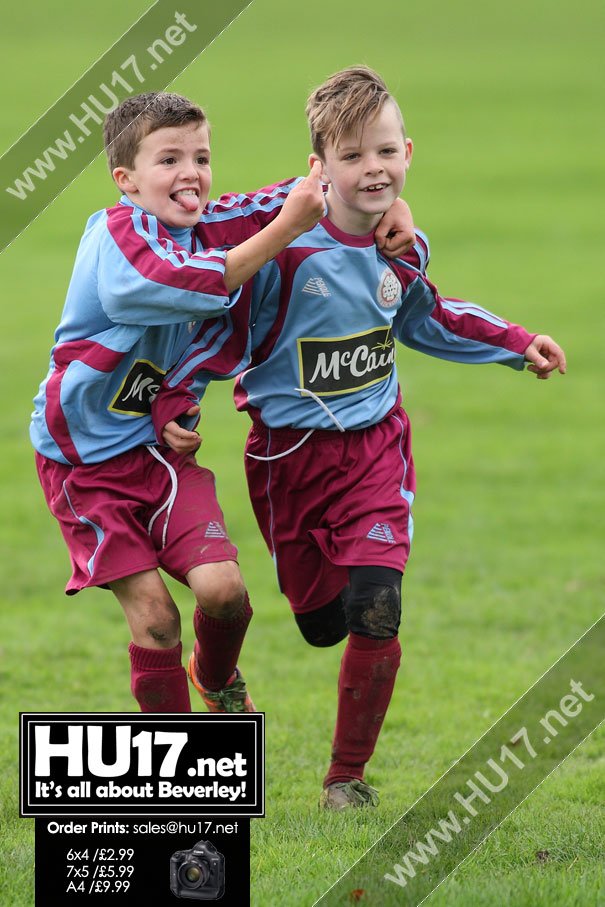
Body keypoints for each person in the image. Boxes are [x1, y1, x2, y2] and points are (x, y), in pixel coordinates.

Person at [154, 67, 566, 805]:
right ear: (318, 169)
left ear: (406, 150)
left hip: (376, 450)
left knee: (377, 605)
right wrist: (179, 400)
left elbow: (428, 316)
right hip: (286, 458)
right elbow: (221, 336)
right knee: (319, 626)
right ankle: (211, 674)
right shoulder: (280, 251)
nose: (372, 169)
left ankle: (346, 778)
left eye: (384, 152)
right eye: (351, 156)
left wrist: (516, 341)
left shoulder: (400, 247)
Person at [31, 90, 414, 717]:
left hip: (157, 457)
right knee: (156, 619)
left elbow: (313, 190)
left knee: (224, 590)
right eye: (169, 160)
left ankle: (216, 678)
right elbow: (191, 283)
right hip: (86, 467)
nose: (191, 173)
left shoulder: (201, 222)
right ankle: (181, 781)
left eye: (201, 157)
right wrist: (287, 230)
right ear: (124, 179)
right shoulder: (118, 240)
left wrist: (389, 200)